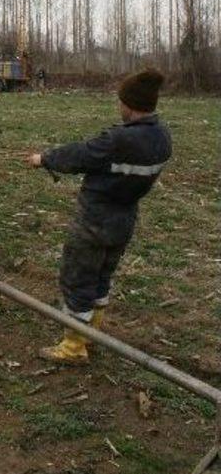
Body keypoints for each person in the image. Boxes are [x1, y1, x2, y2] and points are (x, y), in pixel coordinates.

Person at [26, 68, 171, 363]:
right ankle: (93, 332)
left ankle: (73, 347)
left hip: (95, 220)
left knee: (78, 279)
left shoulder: (118, 140)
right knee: (102, 277)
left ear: (130, 104)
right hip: (125, 218)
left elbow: (81, 154)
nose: (118, 106)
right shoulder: (162, 138)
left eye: (121, 100)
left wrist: (44, 159)